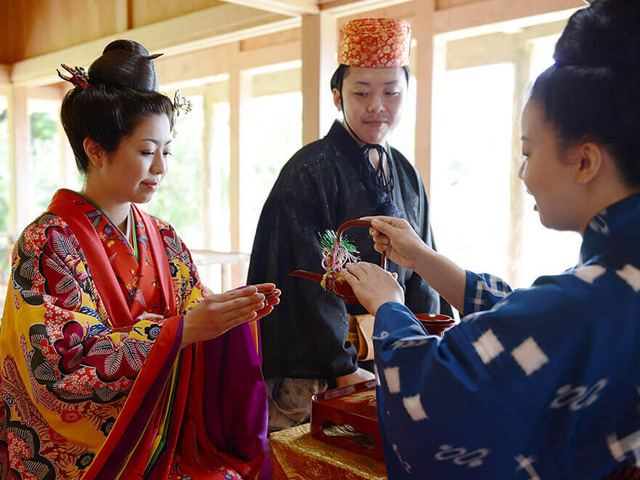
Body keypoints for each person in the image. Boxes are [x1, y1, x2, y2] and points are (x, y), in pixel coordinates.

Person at [341, 1, 640, 478]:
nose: (523, 173)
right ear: (338, 95)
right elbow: (525, 312)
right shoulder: (614, 282)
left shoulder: (583, 304)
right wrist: (422, 258)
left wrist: (389, 306)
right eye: (361, 91)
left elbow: (435, 403)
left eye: (528, 150)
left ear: (585, 161)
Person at [0, 40, 280, 479]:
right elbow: (59, 370)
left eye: (166, 152)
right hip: (90, 458)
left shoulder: (163, 236)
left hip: (163, 440)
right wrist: (181, 331)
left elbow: (193, 314)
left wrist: (230, 316)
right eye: (147, 152)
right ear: (95, 150)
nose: (161, 169)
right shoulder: (47, 241)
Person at [247, 18, 452, 431]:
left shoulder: (407, 174)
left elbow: (424, 264)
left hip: (391, 359)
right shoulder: (308, 170)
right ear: (338, 97)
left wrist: (426, 349)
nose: (377, 105)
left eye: (391, 92)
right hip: (320, 368)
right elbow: (303, 274)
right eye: (362, 92)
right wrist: (340, 364)